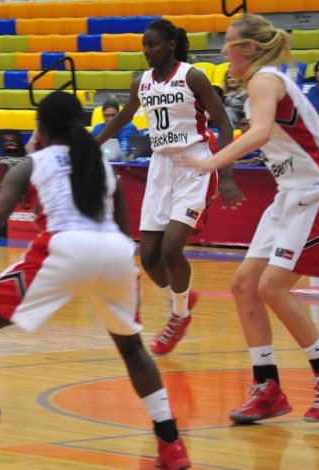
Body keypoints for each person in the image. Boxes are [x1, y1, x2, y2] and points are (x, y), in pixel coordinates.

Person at [0, 91, 191, 469]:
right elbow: (124, 227)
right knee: (132, 349)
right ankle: (170, 443)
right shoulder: (100, 164)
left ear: (41, 127)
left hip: (65, 248)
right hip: (116, 255)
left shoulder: (33, 164)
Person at [181, 14, 319, 424]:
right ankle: (267, 388)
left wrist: (212, 163)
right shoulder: (258, 85)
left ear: (248, 48)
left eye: (229, 43)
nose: (223, 51)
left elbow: (261, 132)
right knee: (245, 285)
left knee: (272, 287)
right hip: (291, 194)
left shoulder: (265, 79)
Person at [96, 18, 242, 356]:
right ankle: (182, 299)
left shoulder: (192, 76)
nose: (148, 51)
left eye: (153, 45)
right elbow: (123, 118)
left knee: (171, 249)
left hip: (195, 164)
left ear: (171, 45)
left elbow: (223, 122)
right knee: (149, 257)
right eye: (144, 46)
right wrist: (92, 144)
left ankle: (178, 315)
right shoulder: (141, 83)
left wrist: (227, 172)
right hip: (160, 167)